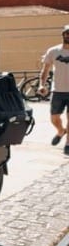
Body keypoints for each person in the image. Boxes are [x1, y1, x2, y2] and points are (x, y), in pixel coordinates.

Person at [38, 24, 69, 156]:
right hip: (57, 90)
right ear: (63, 35)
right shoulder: (53, 51)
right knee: (54, 118)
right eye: (66, 33)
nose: (68, 36)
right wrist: (41, 85)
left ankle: (68, 143)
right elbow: (45, 70)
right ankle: (61, 131)